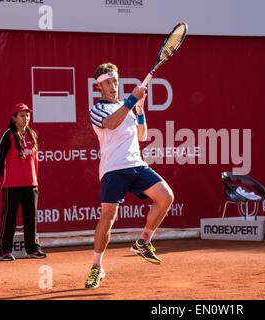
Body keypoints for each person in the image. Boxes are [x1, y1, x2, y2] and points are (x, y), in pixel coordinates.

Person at [86, 63, 174, 289]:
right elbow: (111, 123)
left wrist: (140, 111)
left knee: (166, 197)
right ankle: (97, 267)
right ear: (99, 87)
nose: (113, 85)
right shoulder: (98, 109)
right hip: (113, 169)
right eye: (108, 82)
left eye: (115, 81)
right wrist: (131, 101)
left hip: (136, 164)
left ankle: (143, 241)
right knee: (108, 218)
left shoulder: (125, 107)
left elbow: (142, 136)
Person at [0, 103, 47, 261]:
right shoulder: (8, 135)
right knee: (9, 218)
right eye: (22, 115)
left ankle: (32, 249)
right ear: (14, 118)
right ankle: (5, 251)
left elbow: (35, 161)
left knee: (31, 217)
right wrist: (8, 176)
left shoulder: (32, 135)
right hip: (12, 185)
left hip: (31, 184)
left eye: (28, 115)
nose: (26, 118)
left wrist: (34, 180)